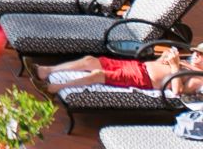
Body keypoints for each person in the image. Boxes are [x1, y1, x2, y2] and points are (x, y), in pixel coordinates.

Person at [36, 46, 203, 95]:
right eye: (195, 52)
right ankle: (46, 70)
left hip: (142, 79)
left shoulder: (198, 77)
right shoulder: (187, 63)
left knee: (98, 75)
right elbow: (157, 64)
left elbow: (178, 92)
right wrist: (164, 59)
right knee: (90, 60)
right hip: (138, 66)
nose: (195, 55)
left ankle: (55, 88)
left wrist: (174, 67)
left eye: (200, 54)